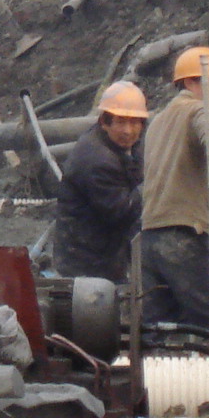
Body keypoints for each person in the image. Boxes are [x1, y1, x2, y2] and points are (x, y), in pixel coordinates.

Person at [139, 46, 209, 330]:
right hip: (186, 236)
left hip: (150, 239)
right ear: (190, 82)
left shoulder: (158, 121)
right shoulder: (200, 108)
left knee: (159, 331)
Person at [51, 82, 148, 282]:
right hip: (87, 263)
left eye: (134, 123)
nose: (128, 131)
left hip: (103, 253)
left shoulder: (123, 145)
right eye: (121, 122)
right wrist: (153, 183)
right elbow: (122, 212)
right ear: (105, 121)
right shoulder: (97, 160)